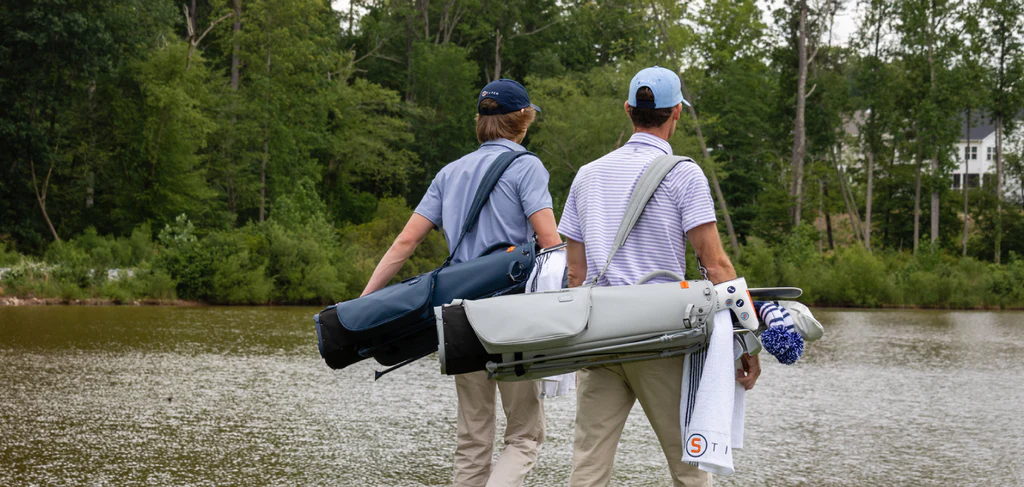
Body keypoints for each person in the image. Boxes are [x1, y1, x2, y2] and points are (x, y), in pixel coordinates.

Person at [557, 66, 761, 487]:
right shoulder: (683, 174)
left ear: (628, 110)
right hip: (660, 338)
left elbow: (574, 273)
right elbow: (716, 265)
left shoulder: (587, 175)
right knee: (689, 465)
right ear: (677, 114)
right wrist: (747, 339)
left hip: (597, 335)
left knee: (588, 466)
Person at [359, 78, 561, 487]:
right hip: (512, 314)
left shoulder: (449, 173)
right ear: (523, 120)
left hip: (457, 317)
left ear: (481, 122)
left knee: (472, 439)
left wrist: (363, 303)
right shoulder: (526, 166)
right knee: (524, 437)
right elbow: (550, 243)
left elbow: (405, 242)